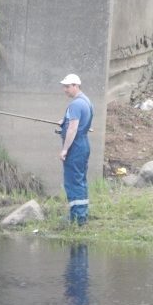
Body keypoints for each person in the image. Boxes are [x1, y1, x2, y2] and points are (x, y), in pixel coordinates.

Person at [58, 74, 93, 226]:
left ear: (75, 86)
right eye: (64, 86)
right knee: (80, 180)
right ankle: (81, 214)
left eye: (67, 87)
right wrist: (63, 122)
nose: (64, 90)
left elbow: (72, 129)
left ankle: (78, 218)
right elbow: (79, 123)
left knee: (73, 182)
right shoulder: (86, 101)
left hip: (76, 146)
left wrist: (65, 149)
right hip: (83, 143)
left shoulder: (76, 105)